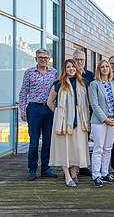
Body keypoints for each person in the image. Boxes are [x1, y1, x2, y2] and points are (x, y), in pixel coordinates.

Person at [47, 59, 90, 187]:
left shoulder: (84, 83)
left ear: (77, 68)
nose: (71, 69)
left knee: (77, 147)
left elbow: (88, 102)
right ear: (64, 70)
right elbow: (50, 102)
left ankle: (74, 172)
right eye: (68, 67)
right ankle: (67, 175)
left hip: (80, 119)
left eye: (73, 66)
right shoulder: (59, 83)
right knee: (64, 147)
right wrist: (60, 113)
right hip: (64, 121)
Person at [19, 48, 59, 181]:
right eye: (40, 57)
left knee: (47, 141)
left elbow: (58, 91)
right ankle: (32, 169)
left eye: (45, 57)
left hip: (49, 109)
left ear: (49, 59)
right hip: (34, 109)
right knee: (34, 142)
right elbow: (23, 92)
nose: (43, 59)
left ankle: (46, 168)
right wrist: (23, 110)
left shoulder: (54, 72)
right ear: (36, 59)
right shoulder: (29, 73)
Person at [89, 60, 114, 187]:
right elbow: (94, 104)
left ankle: (105, 173)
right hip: (99, 122)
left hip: (113, 121)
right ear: (99, 69)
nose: (105, 68)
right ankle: (96, 175)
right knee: (98, 148)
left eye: (107, 66)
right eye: (102, 67)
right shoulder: (94, 84)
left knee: (108, 148)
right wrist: (105, 119)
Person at [73, 49, 94, 176]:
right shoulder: (68, 74)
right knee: (72, 141)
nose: (80, 62)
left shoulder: (90, 76)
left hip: (86, 113)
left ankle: (83, 166)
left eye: (82, 60)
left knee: (84, 140)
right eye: (77, 59)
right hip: (72, 113)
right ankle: (72, 167)